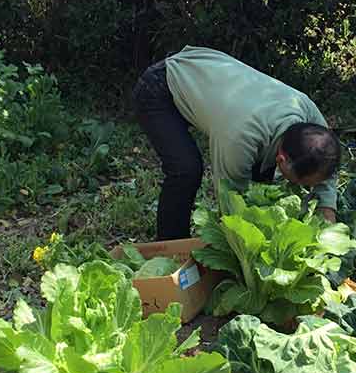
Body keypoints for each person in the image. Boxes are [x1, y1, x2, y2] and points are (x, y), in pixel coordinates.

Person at [132, 46, 341, 240]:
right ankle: (171, 248)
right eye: (301, 183)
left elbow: (325, 167)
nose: (308, 188)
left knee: (260, 176)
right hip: (161, 88)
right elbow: (231, 204)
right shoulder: (239, 139)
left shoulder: (310, 118)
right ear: (281, 159)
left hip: (207, 78)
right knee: (186, 170)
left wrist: (328, 211)